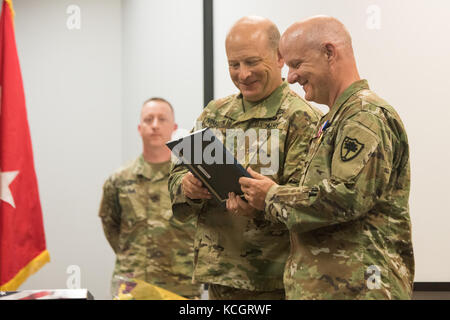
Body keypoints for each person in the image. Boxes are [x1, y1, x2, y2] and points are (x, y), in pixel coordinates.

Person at [238, 16, 415, 299]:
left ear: (329, 53)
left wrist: (271, 196)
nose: (291, 77)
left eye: (297, 64)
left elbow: (346, 198)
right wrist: (261, 204)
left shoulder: (365, 116)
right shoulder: (334, 119)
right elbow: (318, 211)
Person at [168, 16, 322, 300]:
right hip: (219, 278)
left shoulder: (302, 119)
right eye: (233, 64)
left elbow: (311, 205)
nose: (243, 74)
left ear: (279, 58)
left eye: (252, 62)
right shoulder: (214, 113)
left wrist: (262, 207)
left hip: (276, 282)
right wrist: (187, 187)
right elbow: (176, 176)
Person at [99, 97, 202, 299]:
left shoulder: (189, 179)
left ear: (174, 128)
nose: (155, 125)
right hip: (131, 285)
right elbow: (111, 227)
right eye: (148, 119)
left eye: (162, 119)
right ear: (139, 128)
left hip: (180, 285)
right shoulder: (119, 179)